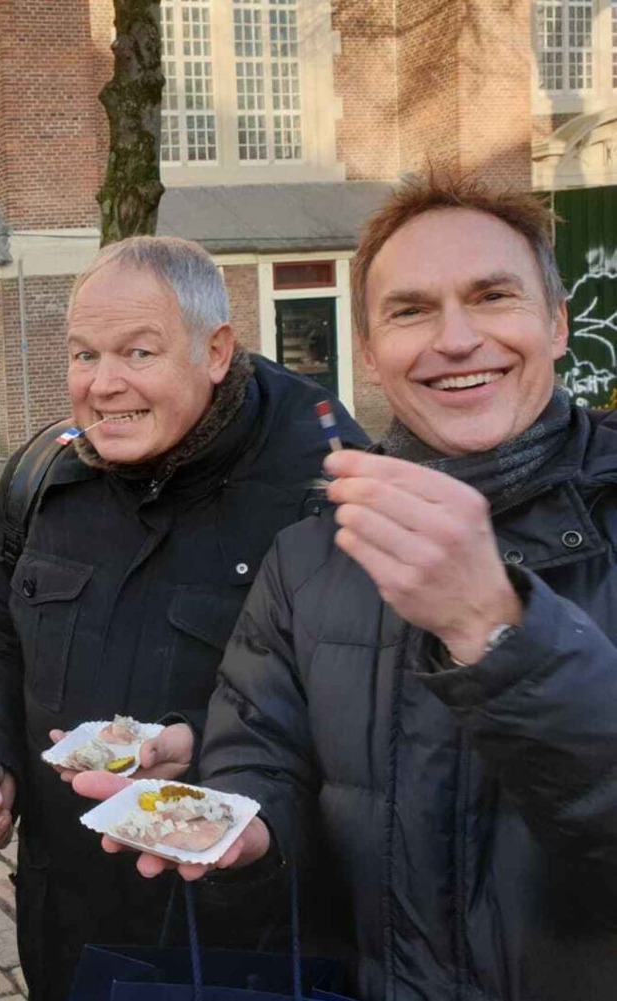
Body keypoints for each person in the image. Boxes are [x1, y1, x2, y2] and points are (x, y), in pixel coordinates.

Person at [78, 171, 617, 1000]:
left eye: (492, 297)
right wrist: (245, 831)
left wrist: (496, 628)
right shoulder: (310, 554)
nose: (455, 338)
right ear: (369, 350)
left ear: (555, 323)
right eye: (410, 310)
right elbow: (259, 752)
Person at [0, 236, 367, 1001]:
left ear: (215, 351)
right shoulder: (43, 476)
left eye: (138, 352)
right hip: (67, 926)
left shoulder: (324, 489)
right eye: (84, 354)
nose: (104, 384)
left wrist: (204, 751)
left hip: (245, 942)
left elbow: (364, 718)